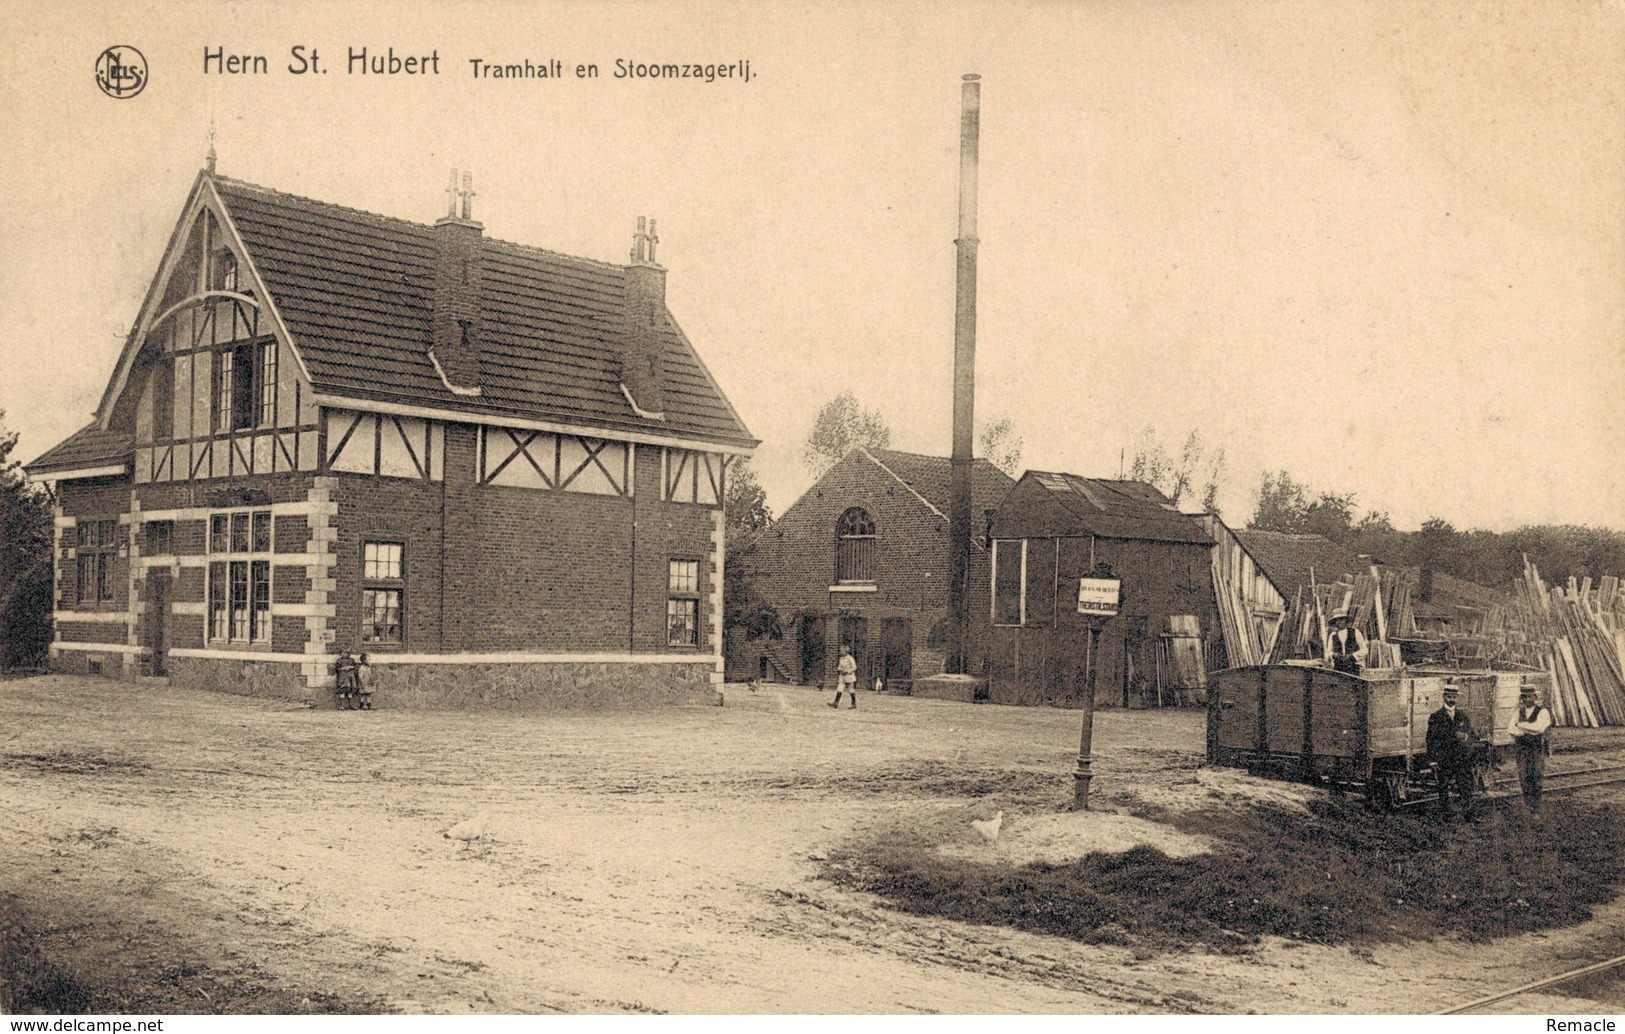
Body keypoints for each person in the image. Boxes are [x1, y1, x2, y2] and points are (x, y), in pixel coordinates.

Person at [1426, 681, 1478, 819]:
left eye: (1454, 697)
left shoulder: (1462, 716)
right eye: (1449, 696)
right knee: (1443, 787)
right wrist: (1432, 760)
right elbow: (1431, 740)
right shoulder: (1436, 717)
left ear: (1457, 698)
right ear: (1444, 697)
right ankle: (1446, 815)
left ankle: (1468, 814)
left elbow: (1472, 735)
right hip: (1444, 758)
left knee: (1465, 786)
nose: (1452, 699)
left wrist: (1465, 736)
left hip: (1461, 758)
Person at [1507, 684, 1552, 812]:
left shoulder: (1542, 711)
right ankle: (1528, 806)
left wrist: (1521, 725)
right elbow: (1511, 728)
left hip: (1536, 750)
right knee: (1524, 778)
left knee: (1536, 777)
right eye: (1524, 697)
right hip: (1522, 750)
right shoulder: (1518, 711)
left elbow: (1539, 728)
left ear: (1535, 697)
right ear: (1522, 698)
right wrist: (1523, 730)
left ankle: (1536, 807)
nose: (1527, 700)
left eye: (1530, 696)